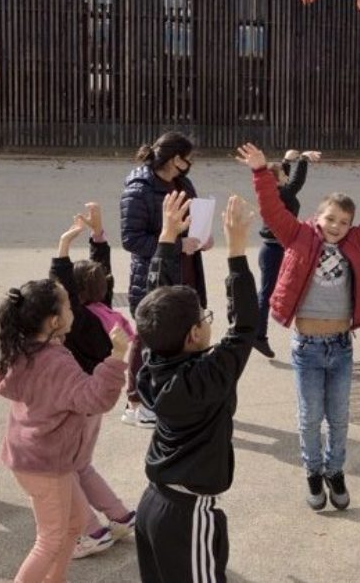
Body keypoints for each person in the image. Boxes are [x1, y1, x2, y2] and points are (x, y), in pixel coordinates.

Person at [239, 143, 360, 512]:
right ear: (316, 217)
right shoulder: (297, 236)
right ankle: (313, 472)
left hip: (340, 347)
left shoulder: (356, 240)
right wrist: (261, 173)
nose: (337, 227)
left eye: (344, 222)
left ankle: (335, 471)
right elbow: (272, 209)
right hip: (306, 347)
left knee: (338, 418)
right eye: (331, 219)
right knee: (309, 418)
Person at [130, 194, 259, 583]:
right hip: (187, 515)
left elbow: (156, 302)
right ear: (192, 336)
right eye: (205, 317)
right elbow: (245, 327)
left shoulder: (154, 361)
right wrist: (237, 251)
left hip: (153, 503)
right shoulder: (204, 377)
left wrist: (168, 238)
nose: (208, 320)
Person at [0, 278, 130, 583]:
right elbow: (94, 398)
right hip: (47, 464)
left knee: (76, 523)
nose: (74, 310)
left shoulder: (25, 349)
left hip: (34, 458)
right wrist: (117, 358)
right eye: (69, 304)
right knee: (50, 539)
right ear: (55, 321)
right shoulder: (54, 362)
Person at [49, 204, 140, 559]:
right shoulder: (107, 316)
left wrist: (62, 250)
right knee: (81, 464)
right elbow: (100, 275)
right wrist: (97, 237)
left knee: (64, 468)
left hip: (75, 406)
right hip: (96, 406)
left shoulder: (80, 322)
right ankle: (119, 515)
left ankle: (91, 530)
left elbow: (66, 289)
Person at [121, 131, 208, 427]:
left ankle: (171, 396)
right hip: (153, 275)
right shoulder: (139, 188)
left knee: (180, 335)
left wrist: (201, 238)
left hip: (186, 269)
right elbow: (131, 239)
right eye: (188, 159)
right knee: (147, 335)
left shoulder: (184, 183)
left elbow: (194, 221)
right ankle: (135, 400)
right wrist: (171, 242)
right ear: (175, 159)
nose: (191, 164)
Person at [256, 150, 323, 359]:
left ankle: (260, 334)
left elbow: (284, 179)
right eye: (284, 175)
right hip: (275, 251)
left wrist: (286, 161)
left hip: (276, 248)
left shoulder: (275, 193)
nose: (287, 177)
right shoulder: (282, 194)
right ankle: (258, 335)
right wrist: (302, 160)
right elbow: (295, 184)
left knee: (275, 291)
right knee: (268, 294)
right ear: (276, 182)